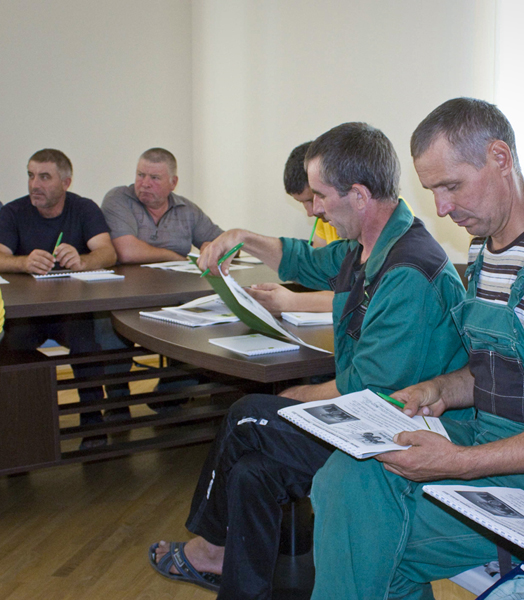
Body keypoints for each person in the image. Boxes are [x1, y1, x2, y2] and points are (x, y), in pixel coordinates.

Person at [309, 98, 524, 600]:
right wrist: (441, 388)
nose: (441, 208)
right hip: (491, 437)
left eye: (451, 186)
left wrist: (458, 462)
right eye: (431, 191)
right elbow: (496, 371)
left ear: (500, 158)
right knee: (345, 476)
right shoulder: (484, 248)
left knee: (366, 544)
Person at [148, 122, 469, 599]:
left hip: (397, 437)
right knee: (252, 472)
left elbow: (369, 392)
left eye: (319, 196)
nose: (314, 208)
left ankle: (210, 549)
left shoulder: (408, 273)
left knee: (245, 418)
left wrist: (298, 399)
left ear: (358, 195)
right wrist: (240, 236)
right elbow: (302, 259)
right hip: (370, 418)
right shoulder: (371, 247)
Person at [0, 149, 117, 446]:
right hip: (26, 315)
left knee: (87, 346)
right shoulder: (13, 212)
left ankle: (92, 423)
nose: (34, 185)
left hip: (70, 312)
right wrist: (22, 262)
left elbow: (107, 251)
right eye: (30, 175)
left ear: (65, 182)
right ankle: (20, 433)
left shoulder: (84, 208)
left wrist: (83, 261)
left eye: (44, 177)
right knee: (10, 351)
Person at [247, 141, 337, 315]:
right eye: (302, 203)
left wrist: (292, 302)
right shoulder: (325, 218)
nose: (311, 211)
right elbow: (318, 273)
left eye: (313, 199)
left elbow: (364, 297)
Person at [102, 147, 223, 263]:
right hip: (128, 282)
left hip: (178, 282)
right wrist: (176, 258)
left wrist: (216, 247)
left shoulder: (186, 209)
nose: (145, 183)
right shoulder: (119, 199)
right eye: (141, 175)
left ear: (173, 183)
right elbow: (127, 252)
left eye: (154, 178)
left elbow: (229, 245)